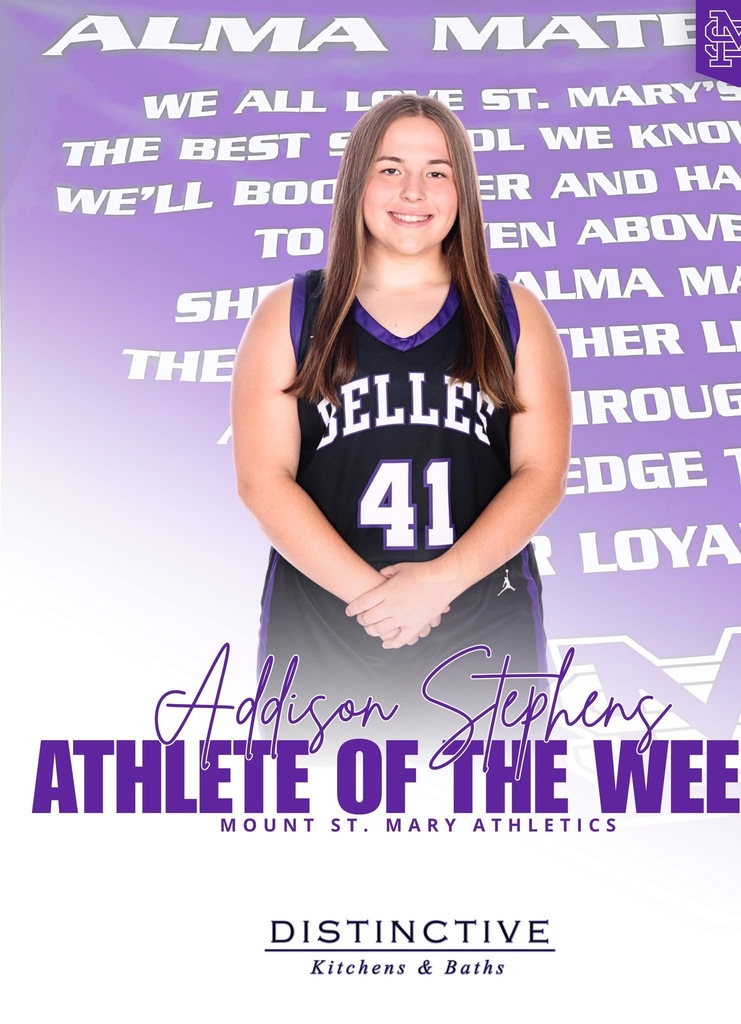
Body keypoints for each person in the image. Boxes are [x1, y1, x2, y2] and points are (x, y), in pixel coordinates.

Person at [231, 96, 571, 740]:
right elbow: (263, 480)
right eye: (390, 169)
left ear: (463, 190)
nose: (414, 190)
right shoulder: (293, 311)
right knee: (325, 826)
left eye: (437, 172)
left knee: (498, 826)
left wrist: (436, 586)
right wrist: (377, 600)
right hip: (326, 622)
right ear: (357, 182)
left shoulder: (512, 312)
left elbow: (541, 474)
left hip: (481, 620)